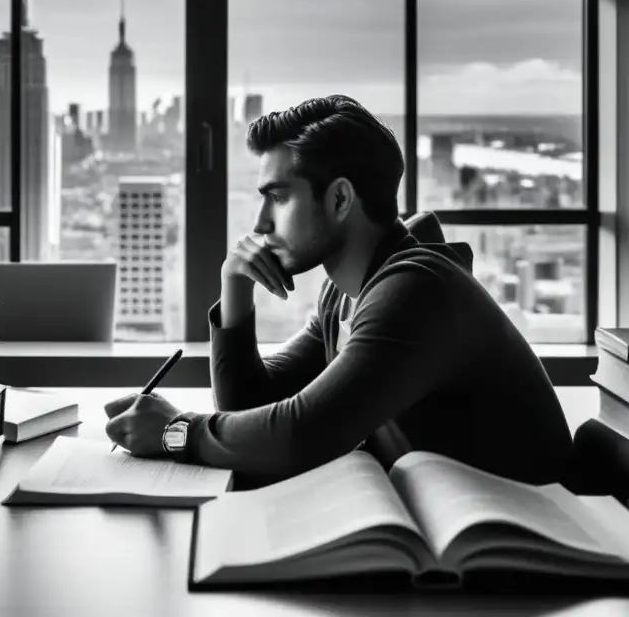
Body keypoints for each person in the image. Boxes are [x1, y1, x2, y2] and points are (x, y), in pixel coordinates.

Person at [104, 95, 574, 485]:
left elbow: (301, 434)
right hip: (460, 537)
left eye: (279, 197)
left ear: (341, 198)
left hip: (531, 548)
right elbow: (251, 409)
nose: (260, 224)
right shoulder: (346, 293)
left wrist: (175, 431)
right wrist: (235, 289)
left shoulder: (415, 289)